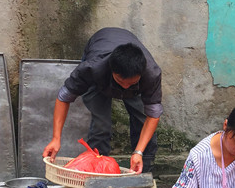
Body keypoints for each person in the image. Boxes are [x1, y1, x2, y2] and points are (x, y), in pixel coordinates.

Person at [42, 27, 162, 173]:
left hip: (134, 81)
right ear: (112, 70)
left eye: (130, 83)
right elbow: (63, 97)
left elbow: (153, 115)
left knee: (142, 119)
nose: (124, 87)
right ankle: (97, 175)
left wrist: (138, 152)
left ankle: (144, 175)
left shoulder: (151, 74)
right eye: (120, 81)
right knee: (101, 125)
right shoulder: (92, 68)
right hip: (99, 72)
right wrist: (56, 138)